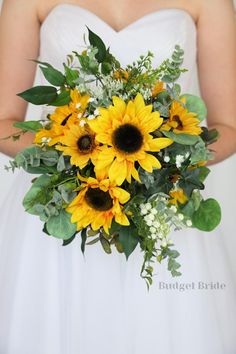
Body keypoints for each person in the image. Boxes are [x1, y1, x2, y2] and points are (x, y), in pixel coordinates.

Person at [0, 0, 236, 353]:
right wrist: (76, 157)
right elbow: (5, 124)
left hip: (166, 208)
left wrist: (162, 162)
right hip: (60, 205)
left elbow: (227, 127)